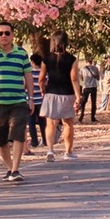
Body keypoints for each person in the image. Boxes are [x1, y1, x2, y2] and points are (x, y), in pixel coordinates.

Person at [0, 22, 34, 182]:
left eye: (7, 33)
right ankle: (10, 168)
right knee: (0, 139)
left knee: (18, 134)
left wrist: (30, 98)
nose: (4, 36)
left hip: (18, 101)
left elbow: (29, 77)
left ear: (13, 35)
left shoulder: (22, 53)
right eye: (1, 33)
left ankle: (16, 169)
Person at [40, 30, 81, 161]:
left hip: (51, 93)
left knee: (51, 123)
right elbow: (74, 79)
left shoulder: (46, 58)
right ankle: (68, 152)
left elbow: (41, 78)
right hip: (67, 93)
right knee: (68, 123)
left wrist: (43, 90)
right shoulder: (72, 59)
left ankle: (50, 151)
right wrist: (78, 96)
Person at [27, 53, 46, 153]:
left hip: (31, 100)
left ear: (33, 62)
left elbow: (25, 85)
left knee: (31, 122)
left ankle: (34, 141)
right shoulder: (44, 73)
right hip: (41, 100)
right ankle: (45, 139)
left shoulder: (29, 73)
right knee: (43, 122)